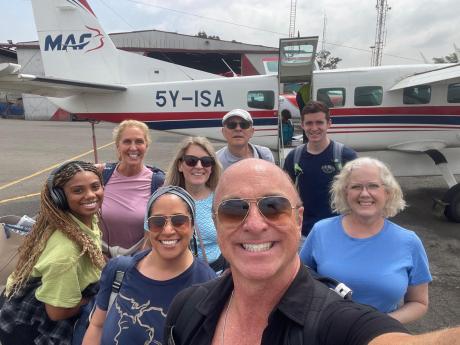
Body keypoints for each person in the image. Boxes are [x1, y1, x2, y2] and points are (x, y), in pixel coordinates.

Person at [164, 159, 460, 345]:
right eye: (233, 210)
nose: (254, 224)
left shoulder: (337, 322)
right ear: (216, 223)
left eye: (273, 207)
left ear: (298, 219)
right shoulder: (185, 306)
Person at [300, 157, 432, 323]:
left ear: (387, 192)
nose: (364, 193)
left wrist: (376, 324)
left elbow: (418, 302)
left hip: (381, 336)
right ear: (345, 192)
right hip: (325, 332)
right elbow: (300, 280)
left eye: (373, 186)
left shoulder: (409, 242)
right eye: (356, 187)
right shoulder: (321, 231)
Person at [82, 185, 216, 345]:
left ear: (193, 226)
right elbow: (97, 325)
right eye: (157, 222)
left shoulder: (209, 287)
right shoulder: (118, 270)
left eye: (179, 221)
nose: (167, 230)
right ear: (148, 227)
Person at [0, 161, 105, 345]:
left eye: (95, 186)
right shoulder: (67, 252)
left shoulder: (77, 220)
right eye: (78, 190)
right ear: (59, 197)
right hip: (33, 326)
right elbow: (57, 312)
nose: (90, 195)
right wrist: (94, 299)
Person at [283, 100, 357, 239]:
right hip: (304, 234)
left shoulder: (346, 156)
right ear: (302, 125)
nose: (314, 127)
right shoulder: (294, 157)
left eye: (319, 122)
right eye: (309, 123)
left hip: (339, 234)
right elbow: (285, 195)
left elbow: (359, 195)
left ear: (329, 123)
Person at [98, 120, 164, 258]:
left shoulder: (158, 182)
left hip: (139, 261)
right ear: (118, 146)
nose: (133, 148)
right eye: (127, 142)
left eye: (139, 142)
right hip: (98, 259)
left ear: (146, 146)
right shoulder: (101, 174)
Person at [165, 136, 226, 272]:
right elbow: (150, 243)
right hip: (177, 275)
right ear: (180, 165)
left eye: (206, 162)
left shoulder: (221, 199)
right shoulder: (163, 200)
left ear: (212, 167)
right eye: (191, 161)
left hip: (215, 276)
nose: (199, 166)